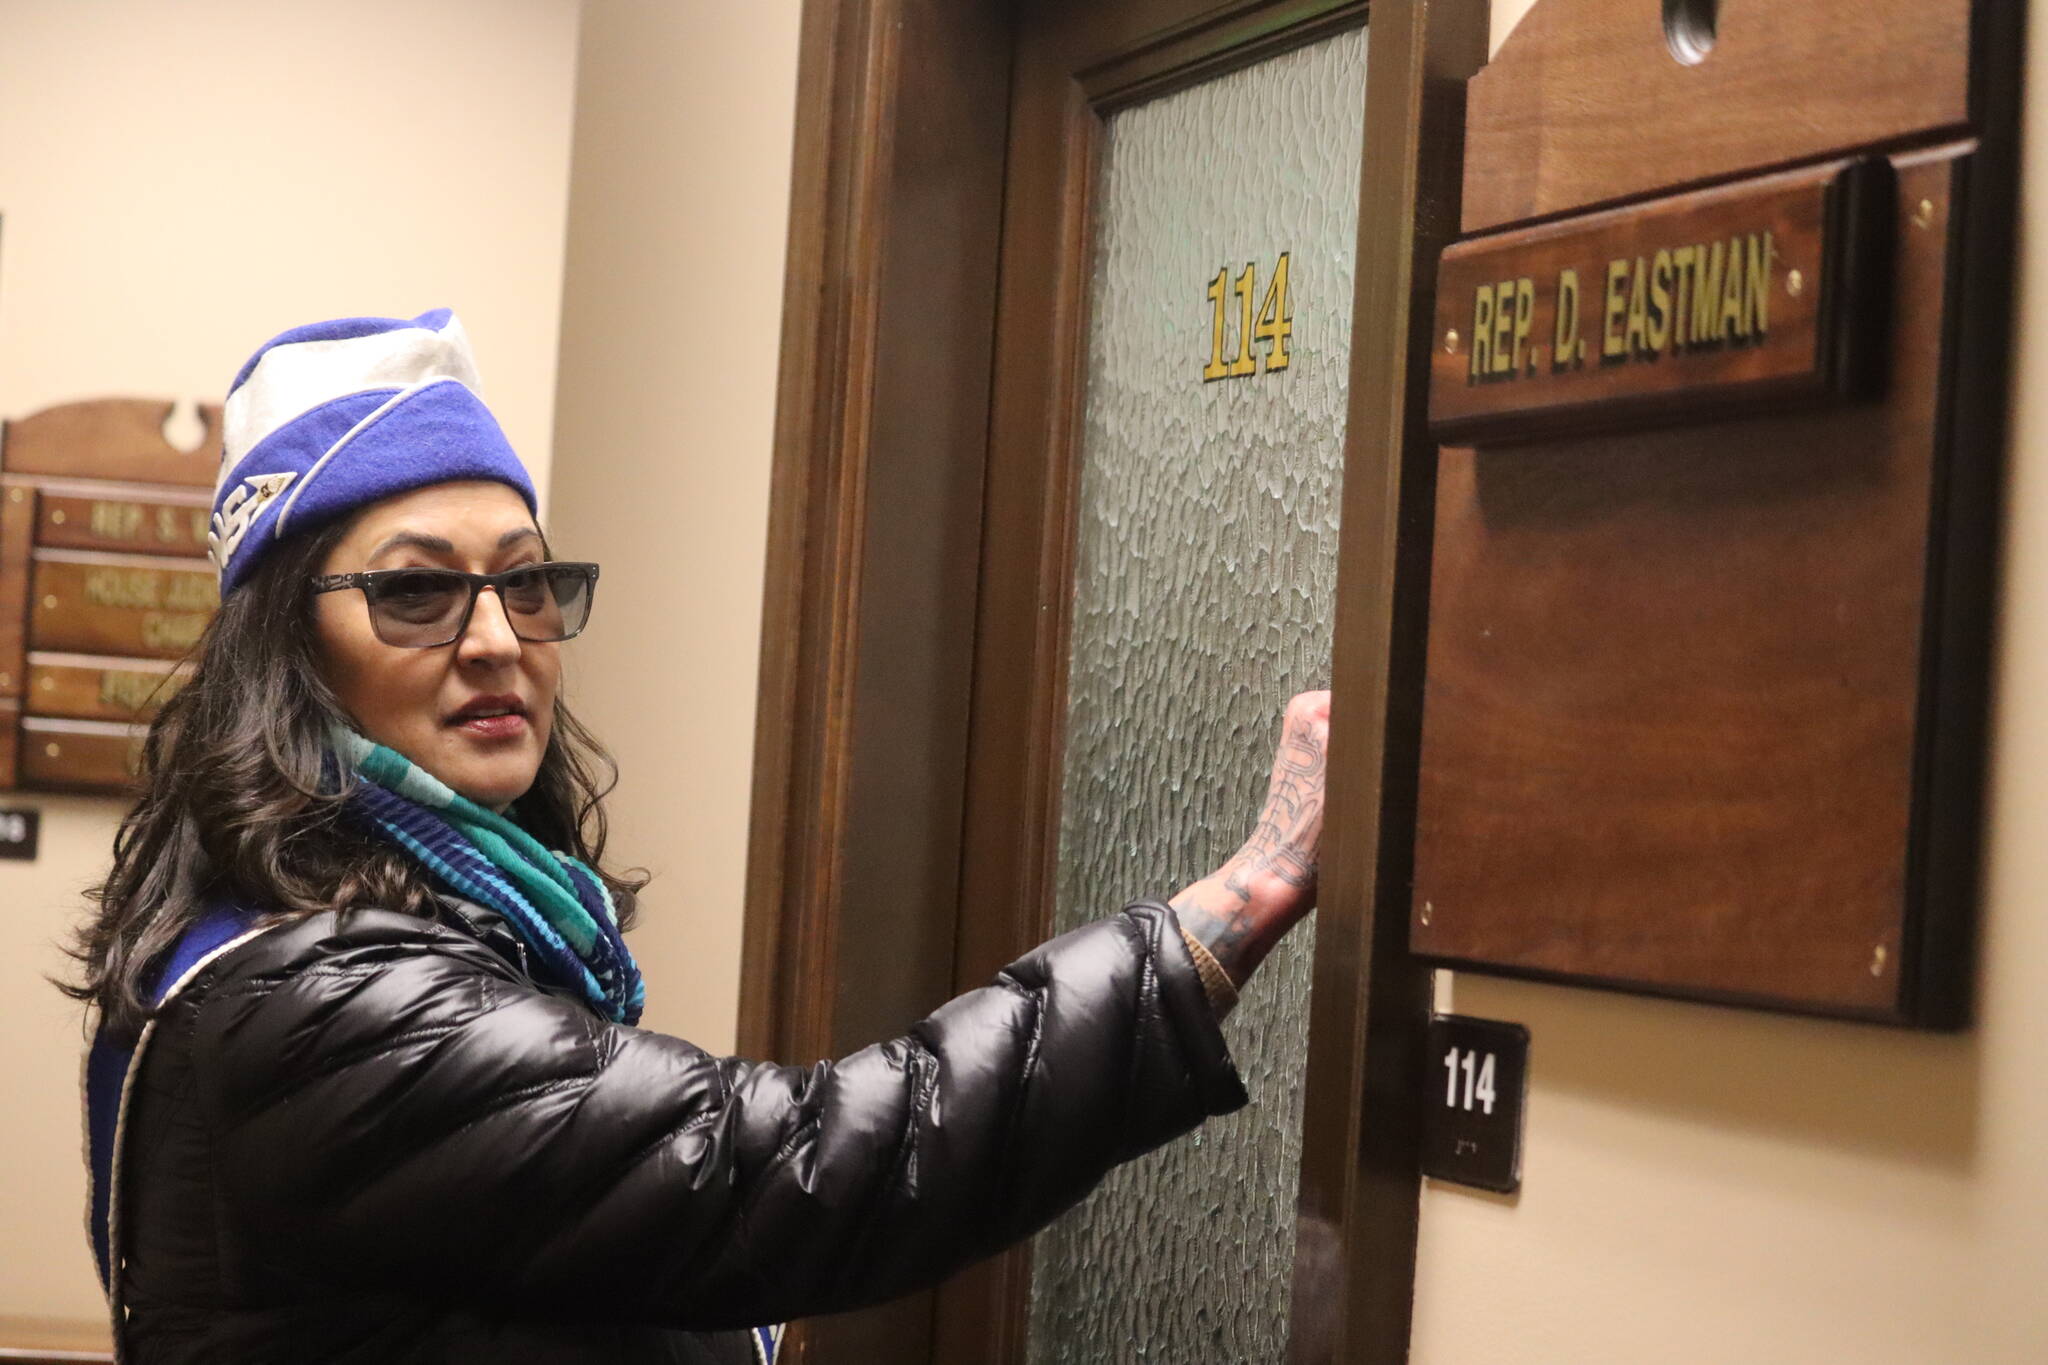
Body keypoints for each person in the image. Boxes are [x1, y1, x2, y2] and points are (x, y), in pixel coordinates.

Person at [66, 309, 1330, 1365]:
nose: (500, 637)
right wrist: (1221, 915)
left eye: (525, 580)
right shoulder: (322, 1004)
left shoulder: (373, 932)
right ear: (286, 655)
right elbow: (778, 1170)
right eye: (415, 590)